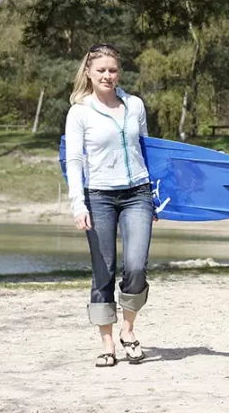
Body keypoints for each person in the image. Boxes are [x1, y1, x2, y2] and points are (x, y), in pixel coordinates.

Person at [64, 43, 155, 367]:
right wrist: (78, 204)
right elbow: (74, 161)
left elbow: (148, 150)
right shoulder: (80, 112)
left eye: (112, 70)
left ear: (120, 72)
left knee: (136, 266)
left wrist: (157, 197)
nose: (107, 75)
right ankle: (107, 343)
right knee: (103, 271)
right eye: (101, 69)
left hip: (138, 194)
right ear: (88, 72)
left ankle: (128, 331)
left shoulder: (135, 105)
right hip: (98, 196)